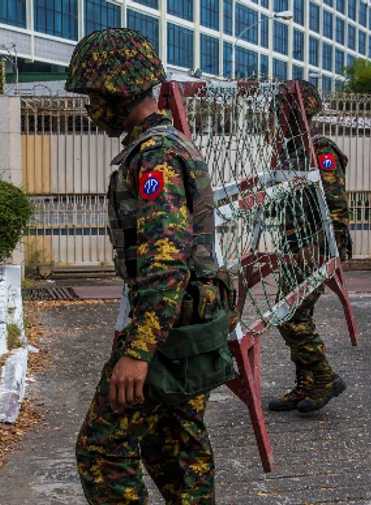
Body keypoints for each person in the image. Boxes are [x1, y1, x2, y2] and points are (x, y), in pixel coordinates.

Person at [66, 28, 226, 503]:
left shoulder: (155, 156)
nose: (91, 108)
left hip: (168, 332)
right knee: (176, 451)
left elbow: (167, 261)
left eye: (94, 96)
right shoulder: (166, 144)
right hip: (187, 325)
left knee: (102, 450)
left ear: (119, 91)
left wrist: (137, 352)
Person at [268, 80, 352, 413]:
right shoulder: (289, 150)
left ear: (307, 111)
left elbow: (336, 205)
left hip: (312, 247)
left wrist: (326, 251)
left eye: (288, 109)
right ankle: (306, 385)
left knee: (288, 315)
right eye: (280, 110)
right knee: (299, 316)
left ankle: (324, 376)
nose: (282, 116)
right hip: (292, 245)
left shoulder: (321, 148)